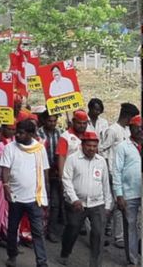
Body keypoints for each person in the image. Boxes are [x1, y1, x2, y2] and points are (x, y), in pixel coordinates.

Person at [0, 119, 49, 267]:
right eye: (17, 132)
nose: (17, 135)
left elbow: (44, 172)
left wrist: (46, 194)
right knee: (13, 228)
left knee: (37, 231)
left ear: (31, 134)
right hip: (15, 197)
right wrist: (6, 186)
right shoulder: (10, 148)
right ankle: (12, 255)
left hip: (35, 198)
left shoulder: (39, 149)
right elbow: (5, 169)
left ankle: (42, 262)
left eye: (21, 133)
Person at [59, 131, 111, 267]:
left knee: (98, 234)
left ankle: (95, 263)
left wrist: (107, 205)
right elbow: (66, 179)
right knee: (73, 229)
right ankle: (65, 252)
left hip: (97, 203)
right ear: (82, 145)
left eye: (95, 146)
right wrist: (74, 199)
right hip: (77, 203)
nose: (92, 149)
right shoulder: (73, 159)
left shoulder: (101, 162)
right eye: (89, 146)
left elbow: (105, 183)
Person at [100, 102, 137, 248]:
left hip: (125, 174)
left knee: (118, 204)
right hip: (113, 173)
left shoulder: (128, 132)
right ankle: (118, 236)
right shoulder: (113, 131)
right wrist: (109, 167)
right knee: (116, 205)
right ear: (127, 117)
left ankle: (110, 230)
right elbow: (102, 149)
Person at [113, 114, 142, 266]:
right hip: (129, 194)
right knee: (130, 227)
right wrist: (119, 195)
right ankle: (133, 259)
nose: (140, 130)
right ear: (130, 128)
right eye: (137, 127)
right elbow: (116, 171)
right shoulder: (123, 147)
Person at [36, 109, 63, 243]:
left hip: (55, 172)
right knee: (40, 201)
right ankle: (39, 229)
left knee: (55, 203)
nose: (52, 123)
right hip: (40, 172)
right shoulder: (38, 134)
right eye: (49, 121)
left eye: (54, 121)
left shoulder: (60, 133)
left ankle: (51, 231)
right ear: (44, 121)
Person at [56, 109, 88, 175]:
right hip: (70, 173)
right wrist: (62, 177)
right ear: (73, 121)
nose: (82, 125)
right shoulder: (65, 137)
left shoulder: (89, 135)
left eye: (84, 123)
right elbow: (61, 158)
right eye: (79, 123)